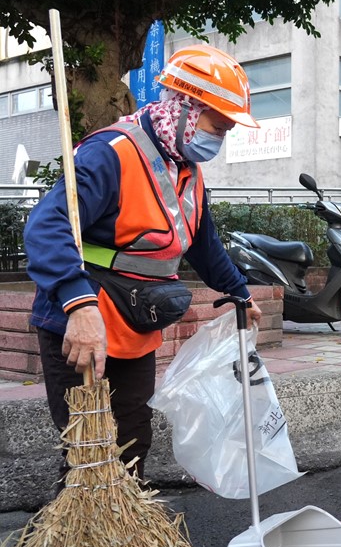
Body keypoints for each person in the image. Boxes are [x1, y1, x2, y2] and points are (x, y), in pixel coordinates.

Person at [24, 44, 263, 487]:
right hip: (84, 320)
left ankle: (126, 534)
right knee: (88, 450)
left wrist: (239, 293)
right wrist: (77, 306)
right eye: (219, 124)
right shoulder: (111, 152)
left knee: (131, 439)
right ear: (187, 107)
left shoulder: (186, 168)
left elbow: (202, 242)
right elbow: (45, 226)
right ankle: (76, 545)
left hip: (135, 321)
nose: (221, 137)